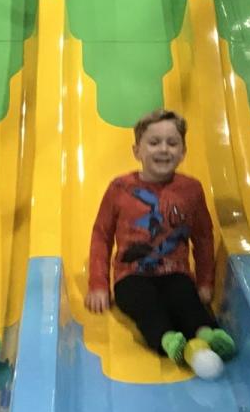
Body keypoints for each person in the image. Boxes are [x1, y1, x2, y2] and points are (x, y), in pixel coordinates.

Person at [85, 108, 236, 364]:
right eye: (154, 143)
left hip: (175, 272)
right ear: (137, 151)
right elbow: (101, 235)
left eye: (172, 143)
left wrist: (204, 281)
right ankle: (168, 340)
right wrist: (98, 284)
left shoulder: (191, 189)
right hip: (130, 276)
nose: (163, 149)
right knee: (146, 304)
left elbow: (202, 237)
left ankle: (207, 334)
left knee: (186, 299)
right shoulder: (120, 188)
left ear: (183, 151)